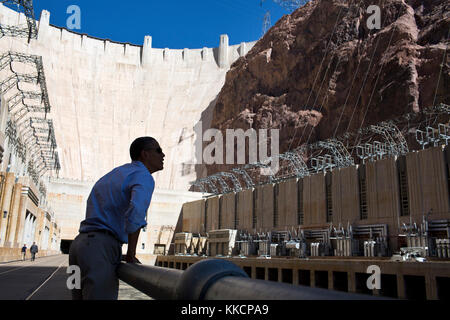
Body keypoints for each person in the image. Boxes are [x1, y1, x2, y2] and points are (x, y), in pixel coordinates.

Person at [69, 137, 165, 300]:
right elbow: (136, 212)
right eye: (158, 150)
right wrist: (131, 253)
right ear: (145, 154)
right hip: (99, 249)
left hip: (78, 248)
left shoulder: (116, 173)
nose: (163, 155)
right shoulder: (143, 176)